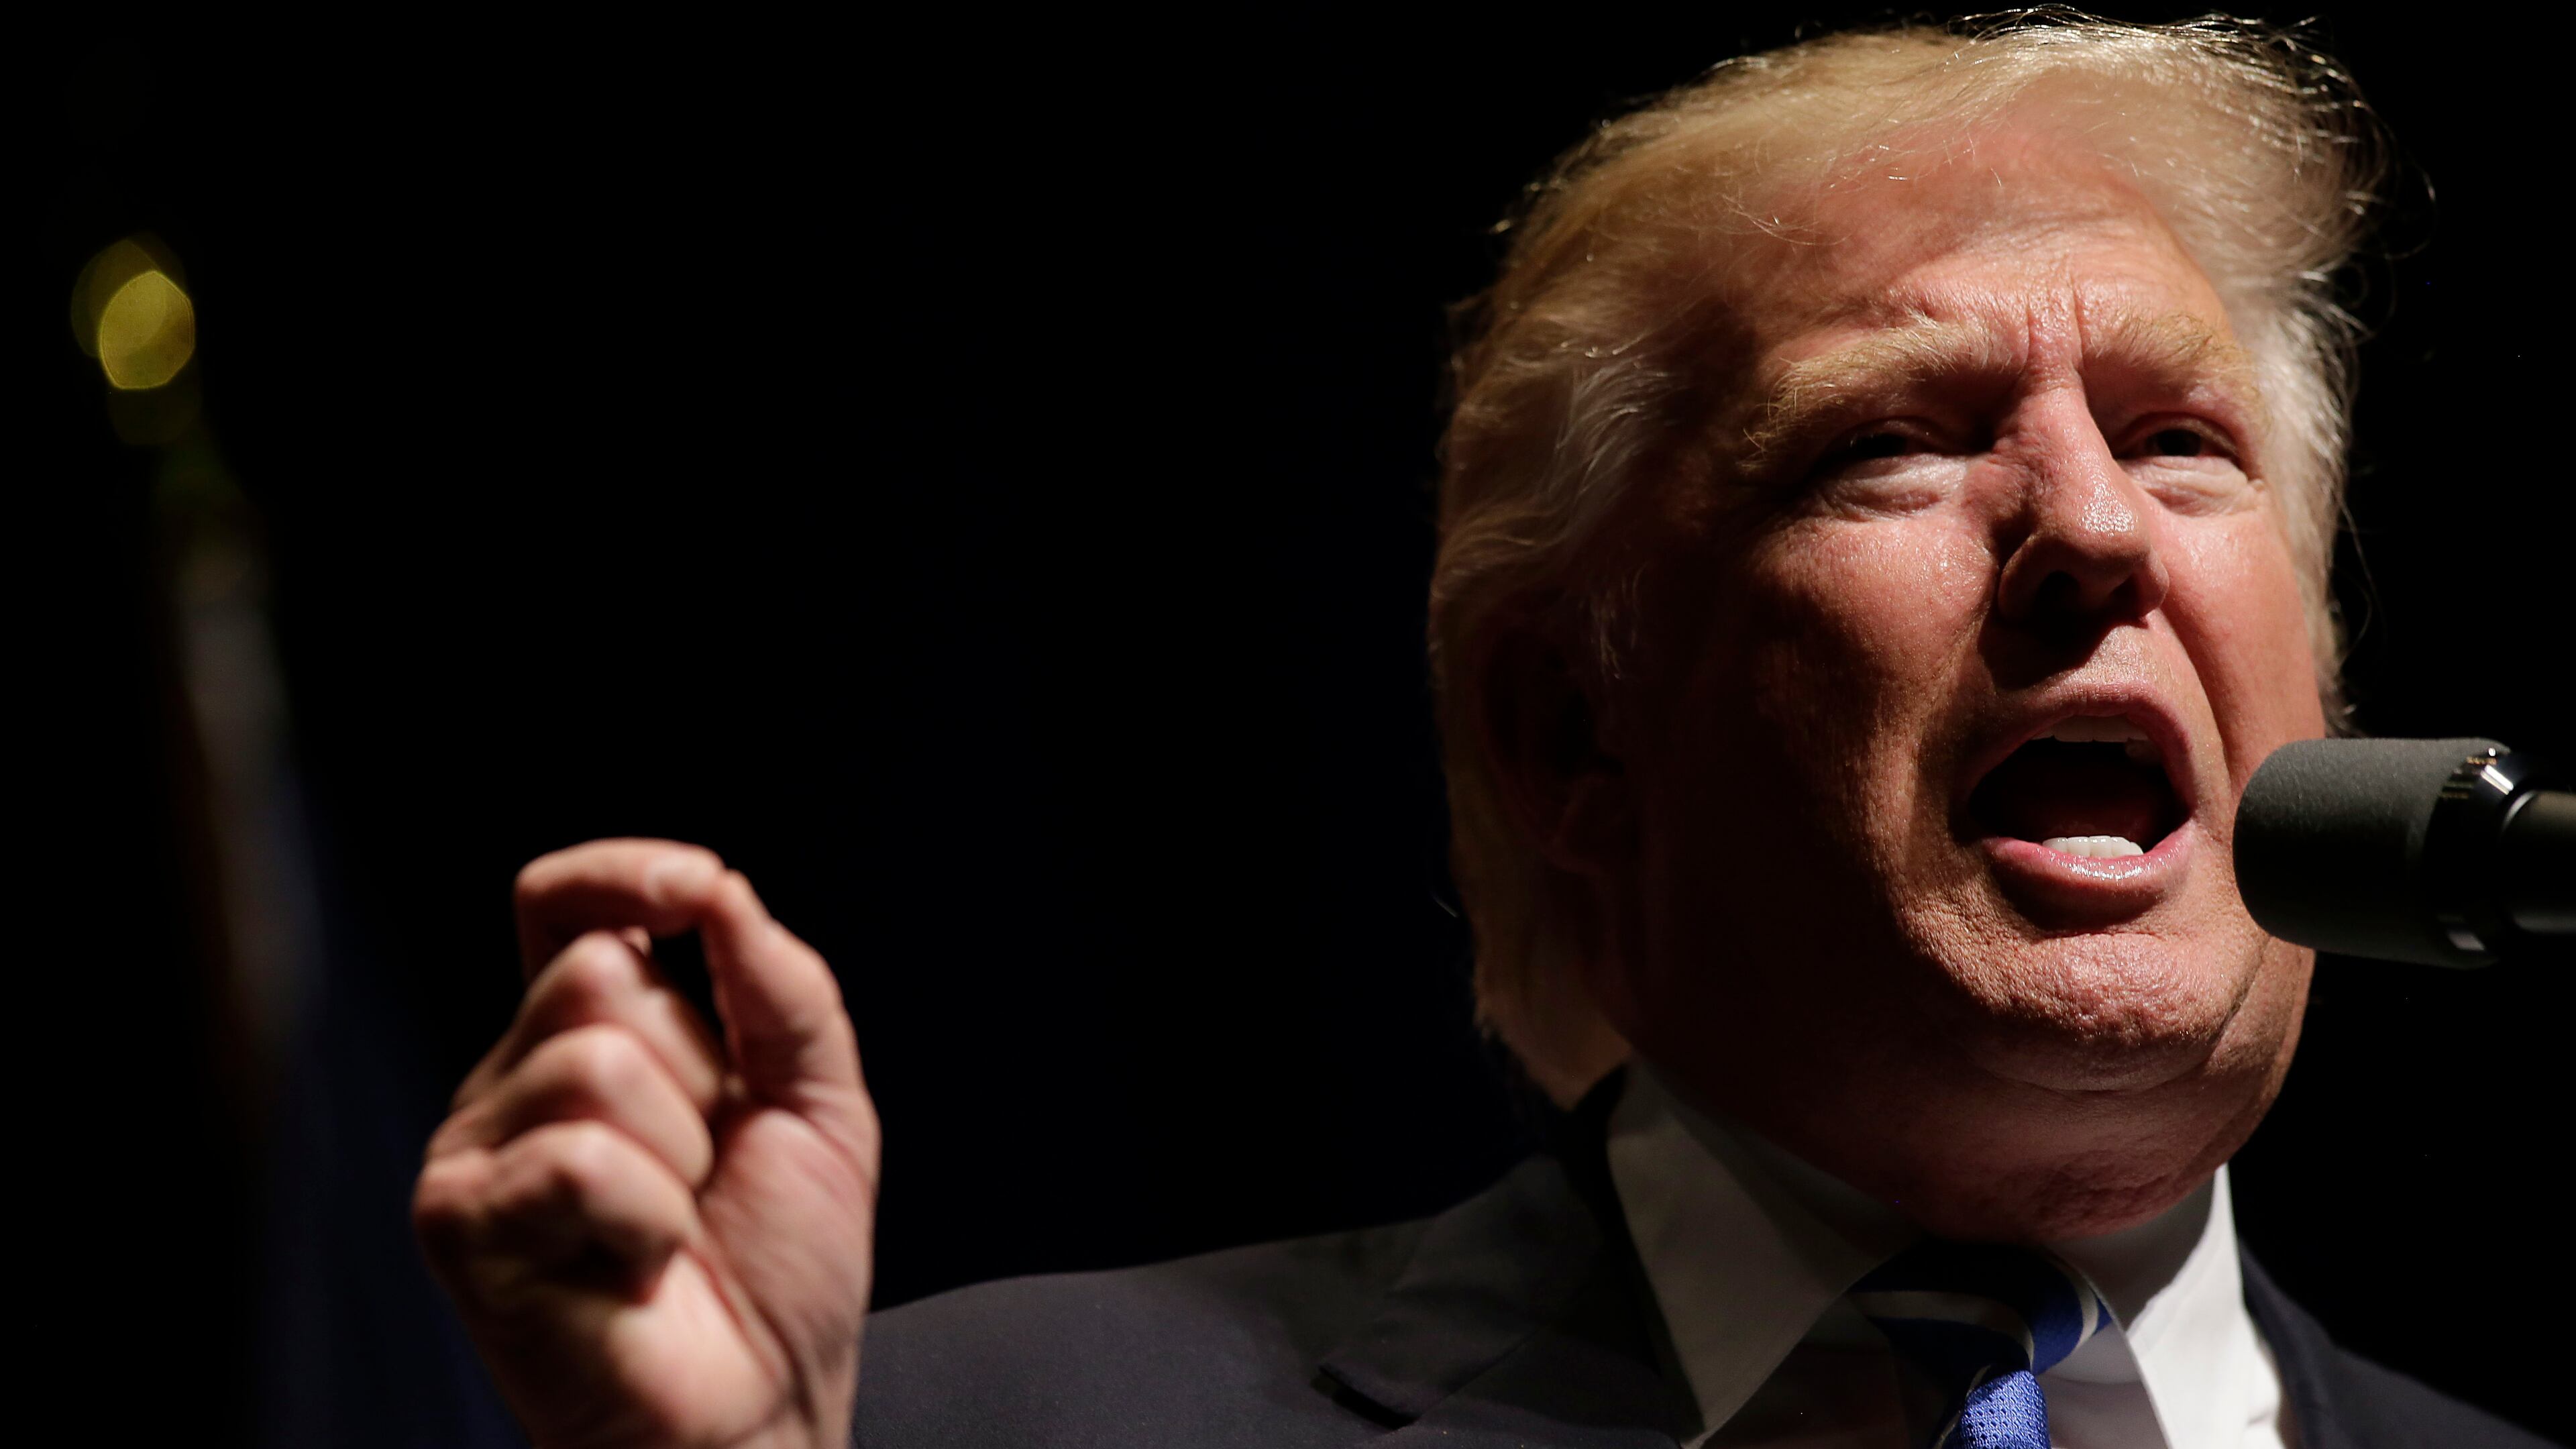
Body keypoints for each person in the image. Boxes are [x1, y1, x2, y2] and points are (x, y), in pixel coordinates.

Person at [413, 14, 2554, 1448]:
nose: (2092, 527)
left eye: (2184, 444)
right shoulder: (973, 1421)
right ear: (1567, 733)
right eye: (1892, 447)